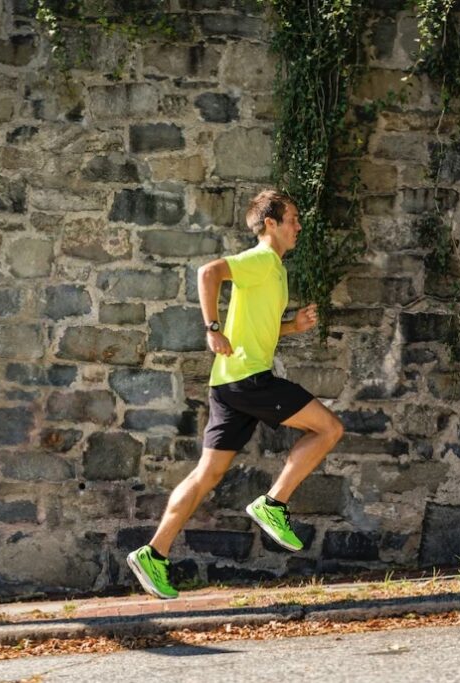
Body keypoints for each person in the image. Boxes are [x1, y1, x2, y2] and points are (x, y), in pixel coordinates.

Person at [126, 189, 345, 599]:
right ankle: (273, 504)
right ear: (271, 224)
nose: (299, 226)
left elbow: (257, 330)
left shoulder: (275, 269)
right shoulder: (262, 258)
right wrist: (212, 329)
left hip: (228, 382)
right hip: (248, 378)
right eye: (293, 219)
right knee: (329, 429)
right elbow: (208, 272)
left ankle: (154, 553)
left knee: (206, 474)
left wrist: (291, 327)